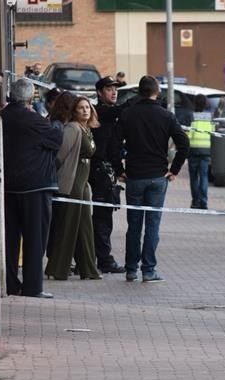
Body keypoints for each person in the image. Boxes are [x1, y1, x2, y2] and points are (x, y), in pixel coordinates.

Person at [115, 75, 190, 283]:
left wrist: (118, 169)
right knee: (153, 225)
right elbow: (184, 143)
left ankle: (131, 269)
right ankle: (149, 270)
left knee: (134, 225)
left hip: (134, 176)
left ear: (139, 92)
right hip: (158, 176)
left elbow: (114, 144)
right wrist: (174, 169)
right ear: (157, 92)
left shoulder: (129, 114)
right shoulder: (166, 116)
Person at [1, 78, 63, 298]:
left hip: (8, 187)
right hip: (35, 186)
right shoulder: (33, 120)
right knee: (35, 239)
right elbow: (56, 139)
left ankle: (9, 283)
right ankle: (33, 286)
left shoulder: (4, 116)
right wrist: (56, 122)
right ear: (29, 98)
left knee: (9, 238)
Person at [44, 94, 102, 281]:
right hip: (72, 183)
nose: (85, 110)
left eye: (88, 107)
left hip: (83, 184)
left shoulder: (87, 130)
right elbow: (59, 156)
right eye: (81, 108)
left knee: (85, 227)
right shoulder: (72, 128)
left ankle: (89, 269)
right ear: (74, 112)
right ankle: (57, 269)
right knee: (68, 226)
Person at [90, 76, 126, 274]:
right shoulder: (99, 112)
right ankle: (102, 259)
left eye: (115, 89)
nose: (114, 92)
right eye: (109, 89)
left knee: (104, 217)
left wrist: (120, 171)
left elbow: (114, 148)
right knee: (100, 218)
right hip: (97, 172)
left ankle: (100, 257)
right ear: (99, 92)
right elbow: (115, 111)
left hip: (107, 172)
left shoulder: (112, 114)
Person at [187, 94, 212, 209]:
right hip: (206, 150)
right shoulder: (209, 117)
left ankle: (195, 201)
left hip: (193, 150)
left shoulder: (192, 116)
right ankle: (204, 202)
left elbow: (188, 134)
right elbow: (213, 133)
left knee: (193, 178)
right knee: (204, 177)